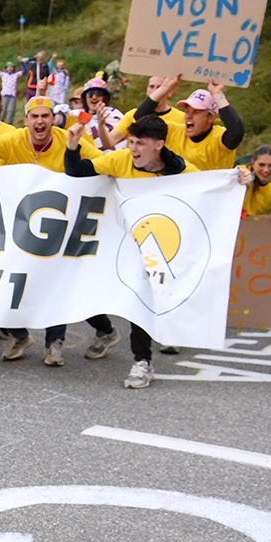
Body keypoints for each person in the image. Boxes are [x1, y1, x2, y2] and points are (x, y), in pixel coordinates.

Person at [0, 96, 119, 366]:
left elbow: (104, 163)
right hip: (19, 225)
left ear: (53, 120)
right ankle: (19, 335)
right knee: (7, 279)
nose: (40, 122)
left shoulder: (69, 138)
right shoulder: (15, 139)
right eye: (34, 116)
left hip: (62, 226)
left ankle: (55, 344)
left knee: (57, 283)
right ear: (26, 120)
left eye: (45, 116)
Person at [64, 114, 191, 389]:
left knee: (140, 299)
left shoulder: (182, 170)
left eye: (140, 143)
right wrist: (72, 146)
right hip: (119, 242)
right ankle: (106, 331)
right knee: (81, 289)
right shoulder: (120, 159)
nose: (133, 148)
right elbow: (77, 171)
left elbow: (213, 187)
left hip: (160, 246)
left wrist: (239, 178)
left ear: (159, 145)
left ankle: (142, 361)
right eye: (131, 141)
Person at [0, 56, 24, 124]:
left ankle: (8, 126)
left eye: (11, 67)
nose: (10, 68)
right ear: (6, 68)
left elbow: (24, 71)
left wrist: (22, 62)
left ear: (13, 68)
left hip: (12, 96)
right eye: (8, 67)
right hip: (4, 95)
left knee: (11, 111)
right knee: (2, 111)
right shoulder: (3, 74)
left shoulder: (16, 75)